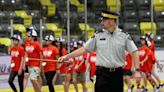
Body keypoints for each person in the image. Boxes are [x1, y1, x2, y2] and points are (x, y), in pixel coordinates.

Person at [58, 10, 141, 92]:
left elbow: (134, 51)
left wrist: (137, 71)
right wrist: (66, 57)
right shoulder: (98, 35)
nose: (101, 22)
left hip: (117, 74)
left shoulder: (124, 36)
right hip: (102, 74)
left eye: (104, 20)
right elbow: (84, 49)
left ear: (111, 21)